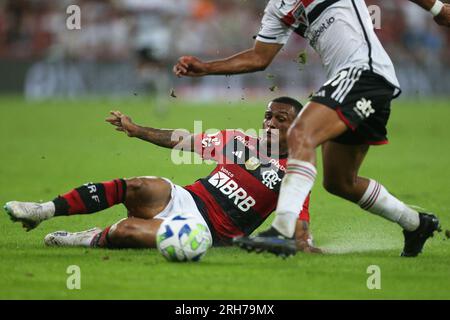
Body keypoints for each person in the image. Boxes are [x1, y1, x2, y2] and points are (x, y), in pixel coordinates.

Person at [173, 0, 450, 257]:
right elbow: (259, 57)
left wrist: (437, 8)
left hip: (363, 72)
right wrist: (206, 68)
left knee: (300, 134)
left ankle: (283, 231)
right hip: (349, 81)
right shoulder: (278, 6)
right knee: (340, 182)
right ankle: (416, 224)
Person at [4, 97, 320, 254]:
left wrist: (304, 243)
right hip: (186, 197)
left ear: (296, 127)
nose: (270, 123)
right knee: (138, 185)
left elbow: (299, 230)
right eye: (267, 116)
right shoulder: (239, 142)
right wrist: (136, 129)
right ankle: (41, 210)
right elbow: (182, 140)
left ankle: (87, 237)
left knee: (128, 230)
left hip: (205, 230)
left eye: (281, 119)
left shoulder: (296, 173)